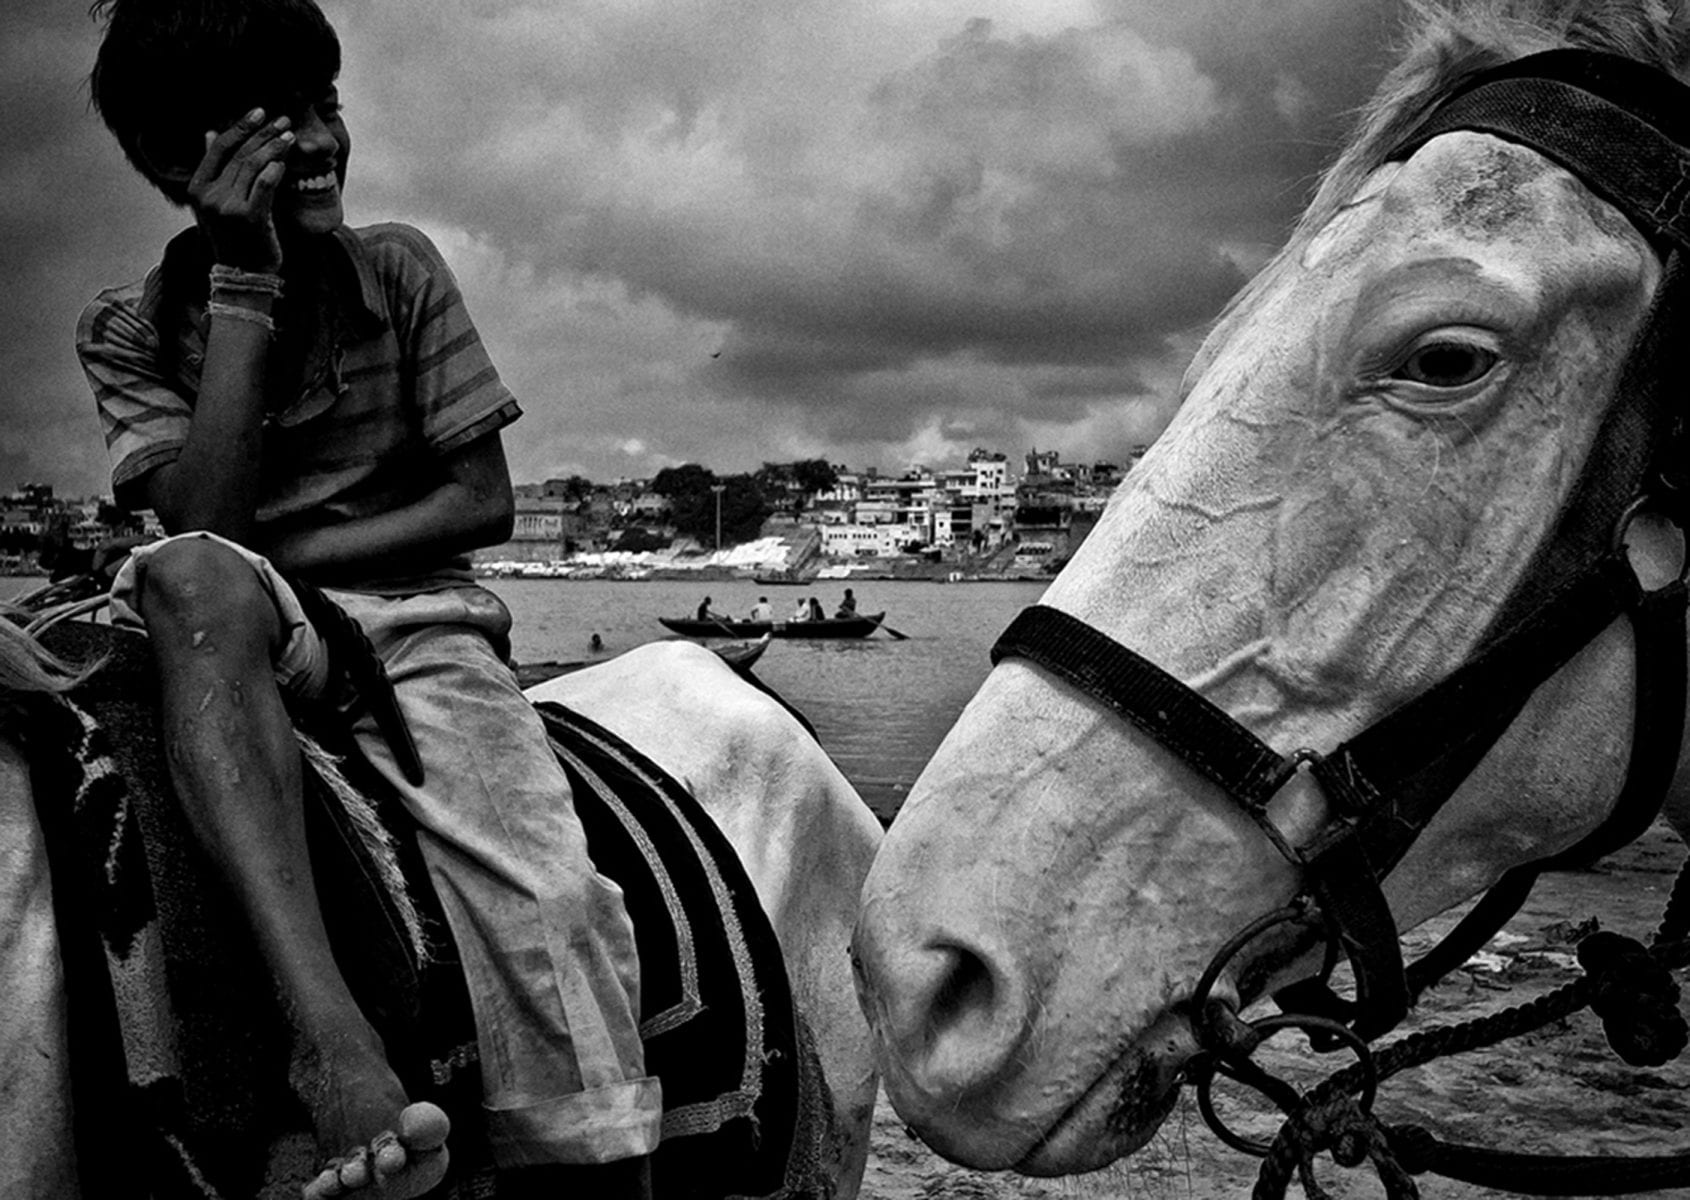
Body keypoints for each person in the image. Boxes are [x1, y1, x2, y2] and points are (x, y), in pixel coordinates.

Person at [77, 3, 657, 1196]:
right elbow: (201, 544)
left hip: (410, 623)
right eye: (279, 122)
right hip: (219, 625)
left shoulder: (397, 268)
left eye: (327, 105)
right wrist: (244, 283)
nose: (323, 140)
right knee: (184, 581)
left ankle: (595, 1152)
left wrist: (278, 544)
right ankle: (331, 1037)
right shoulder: (128, 329)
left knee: (548, 891)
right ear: (183, 166)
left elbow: (476, 503)